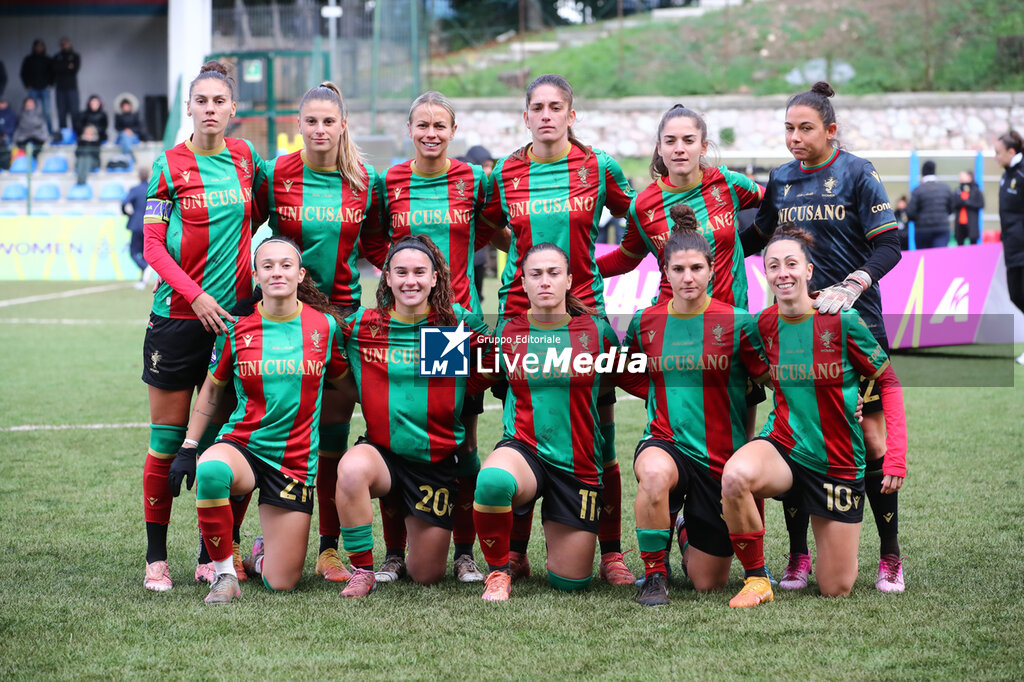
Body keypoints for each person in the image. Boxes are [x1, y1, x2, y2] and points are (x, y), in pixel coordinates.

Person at [742, 81, 908, 594]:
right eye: (788, 128)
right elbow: (756, 234)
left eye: (805, 128)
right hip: (795, 329)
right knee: (799, 433)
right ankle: (796, 556)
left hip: (853, 325)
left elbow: (891, 245)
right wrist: (704, 238)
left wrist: (856, 281)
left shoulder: (857, 172)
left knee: (874, 439)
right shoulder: (781, 178)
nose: (794, 137)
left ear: (831, 130)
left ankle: (890, 556)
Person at [480, 74, 637, 585]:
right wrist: (520, 263)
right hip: (516, 313)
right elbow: (486, 225)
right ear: (525, 116)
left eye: (556, 107)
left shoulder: (598, 165)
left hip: (585, 314)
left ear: (572, 115)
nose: (546, 115)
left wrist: (603, 267)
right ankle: (514, 553)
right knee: (522, 425)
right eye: (537, 108)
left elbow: (638, 220)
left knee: (600, 436)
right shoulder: (504, 172)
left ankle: (611, 552)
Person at [721, 226, 907, 608]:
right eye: (774, 266)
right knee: (735, 475)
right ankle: (757, 578)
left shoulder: (842, 320)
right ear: (766, 274)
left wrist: (896, 455)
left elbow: (888, 382)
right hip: (786, 446)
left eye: (792, 264)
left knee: (835, 587)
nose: (783, 273)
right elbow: (761, 372)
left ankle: (881, 555)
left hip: (837, 460)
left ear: (809, 270)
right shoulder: (764, 324)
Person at [140, 60, 266, 593]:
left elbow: (259, 213)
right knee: (168, 442)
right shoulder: (168, 166)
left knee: (222, 442)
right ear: (189, 108)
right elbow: (150, 245)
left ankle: (210, 554)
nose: (211, 109)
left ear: (233, 109)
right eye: (202, 101)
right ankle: (155, 559)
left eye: (220, 101)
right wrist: (196, 293)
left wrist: (242, 276)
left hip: (233, 325)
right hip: (177, 320)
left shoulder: (244, 158)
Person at [169, 237, 351, 604]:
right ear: (256, 274)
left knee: (281, 582)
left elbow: (347, 385)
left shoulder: (326, 328)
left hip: (295, 461)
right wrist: (190, 446)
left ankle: (260, 555)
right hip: (244, 444)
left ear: (300, 274)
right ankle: (223, 574)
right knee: (211, 470)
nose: (276, 272)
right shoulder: (236, 329)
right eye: (267, 266)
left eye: (286, 265)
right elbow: (210, 392)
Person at [254, 80, 383, 586]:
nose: (321, 129)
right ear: (299, 124)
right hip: (285, 318)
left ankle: (329, 548)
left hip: (344, 322)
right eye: (312, 120)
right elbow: (248, 231)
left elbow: (376, 247)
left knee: (330, 433)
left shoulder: (362, 179)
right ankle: (262, 539)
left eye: (330, 120)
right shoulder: (276, 173)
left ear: (343, 124)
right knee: (273, 426)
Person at [373, 91, 498, 584]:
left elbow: (488, 227)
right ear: (410, 130)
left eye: (440, 126)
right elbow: (376, 241)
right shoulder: (392, 181)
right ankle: (393, 552)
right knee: (396, 439)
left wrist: (450, 287)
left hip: (450, 329)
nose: (431, 134)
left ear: (453, 131)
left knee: (460, 443)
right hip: (402, 326)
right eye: (422, 125)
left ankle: (464, 552)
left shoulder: (473, 180)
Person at [620, 204, 769, 607]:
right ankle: (654, 574)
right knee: (652, 474)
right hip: (666, 442)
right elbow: (627, 371)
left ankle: (684, 529)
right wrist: (660, 394)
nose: (688, 277)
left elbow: (768, 378)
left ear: (712, 270)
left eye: (696, 268)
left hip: (719, 458)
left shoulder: (739, 322)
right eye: (678, 269)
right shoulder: (645, 322)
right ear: (664, 273)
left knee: (708, 583)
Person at [333, 235, 492, 598]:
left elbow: (499, 357)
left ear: (435, 278)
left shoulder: (452, 325)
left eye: (420, 272)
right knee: (352, 468)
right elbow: (319, 339)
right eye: (401, 272)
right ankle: (363, 569)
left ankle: (436, 552)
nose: (410, 281)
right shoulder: (362, 327)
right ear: (386, 277)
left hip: (434, 461)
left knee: (426, 575)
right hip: (383, 456)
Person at [473, 243, 630, 601]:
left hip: (576, 466)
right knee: (494, 480)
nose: (545, 281)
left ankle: (557, 545)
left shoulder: (598, 332)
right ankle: (500, 571)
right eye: (536, 274)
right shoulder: (507, 334)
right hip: (524, 451)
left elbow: (623, 382)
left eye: (553, 273)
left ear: (570, 280)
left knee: (571, 582)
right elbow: (467, 379)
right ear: (523, 284)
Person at [598, 103, 764, 307]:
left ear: (703, 146)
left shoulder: (727, 183)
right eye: (670, 141)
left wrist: (757, 239)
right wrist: (571, 274)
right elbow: (625, 258)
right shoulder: (642, 206)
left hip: (731, 324)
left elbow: (778, 205)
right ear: (660, 148)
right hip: (672, 324)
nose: (679, 149)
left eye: (688, 140)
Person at [995, 130, 1024, 364]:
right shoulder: (1007, 175)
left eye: (998, 152)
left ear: (1011, 152)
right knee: (1016, 295)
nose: (995, 157)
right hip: (1012, 247)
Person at [906, 160, 953, 249]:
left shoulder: (918, 190)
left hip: (923, 230)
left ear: (923, 172)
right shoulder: (945, 188)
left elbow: (910, 212)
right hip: (942, 228)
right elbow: (951, 209)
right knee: (939, 258)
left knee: (924, 259)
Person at [122, 166, 150, 286]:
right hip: (151, 224)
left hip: (137, 224)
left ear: (139, 176)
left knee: (133, 252)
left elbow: (124, 203)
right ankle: (143, 279)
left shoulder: (135, 189)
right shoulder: (152, 188)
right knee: (145, 252)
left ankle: (145, 268)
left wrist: (127, 214)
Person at [20, 40, 52, 136]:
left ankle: (49, 134)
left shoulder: (47, 59)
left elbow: (53, 73)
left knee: (46, 112)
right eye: (37, 46)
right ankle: (32, 133)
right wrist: (27, 84)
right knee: (31, 112)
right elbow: (23, 73)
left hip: (44, 89)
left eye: (40, 46)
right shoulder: (29, 59)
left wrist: (50, 84)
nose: (38, 48)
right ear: (34, 48)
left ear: (43, 47)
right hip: (33, 89)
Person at [52, 37, 81, 133]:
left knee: (74, 113)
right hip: (60, 89)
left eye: (65, 43)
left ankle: (76, 135)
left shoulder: (75, 56)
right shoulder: (57, 57)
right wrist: (67, 65)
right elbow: (55, 69)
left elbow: (74, 70)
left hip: (72, 88)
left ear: (69, 43)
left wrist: (62, 66)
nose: (63, 45)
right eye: (61, 44)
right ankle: (63, 136)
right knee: (61, 114)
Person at [953, 170, 984, 246]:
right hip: (960, 223)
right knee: (960, 243)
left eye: (963, 176)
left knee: (973, 243)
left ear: (969, 177)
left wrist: (968, 203)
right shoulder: (958, 190)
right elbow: (953, 203)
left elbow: (981, 204)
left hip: (971, 223)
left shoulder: (976, 190)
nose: (960, 178)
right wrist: (961, 202)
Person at [13, 96, 47, 161]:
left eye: (31, 103)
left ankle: (35, 160)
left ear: (34, 104)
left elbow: (42, 126)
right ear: (25, 105)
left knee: (38, 146)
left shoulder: (39, 114)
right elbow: (19, 128)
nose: (29, 105)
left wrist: (45, 137)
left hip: (37, 137)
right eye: (28, 103)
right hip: (24, 137)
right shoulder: (21, 114)